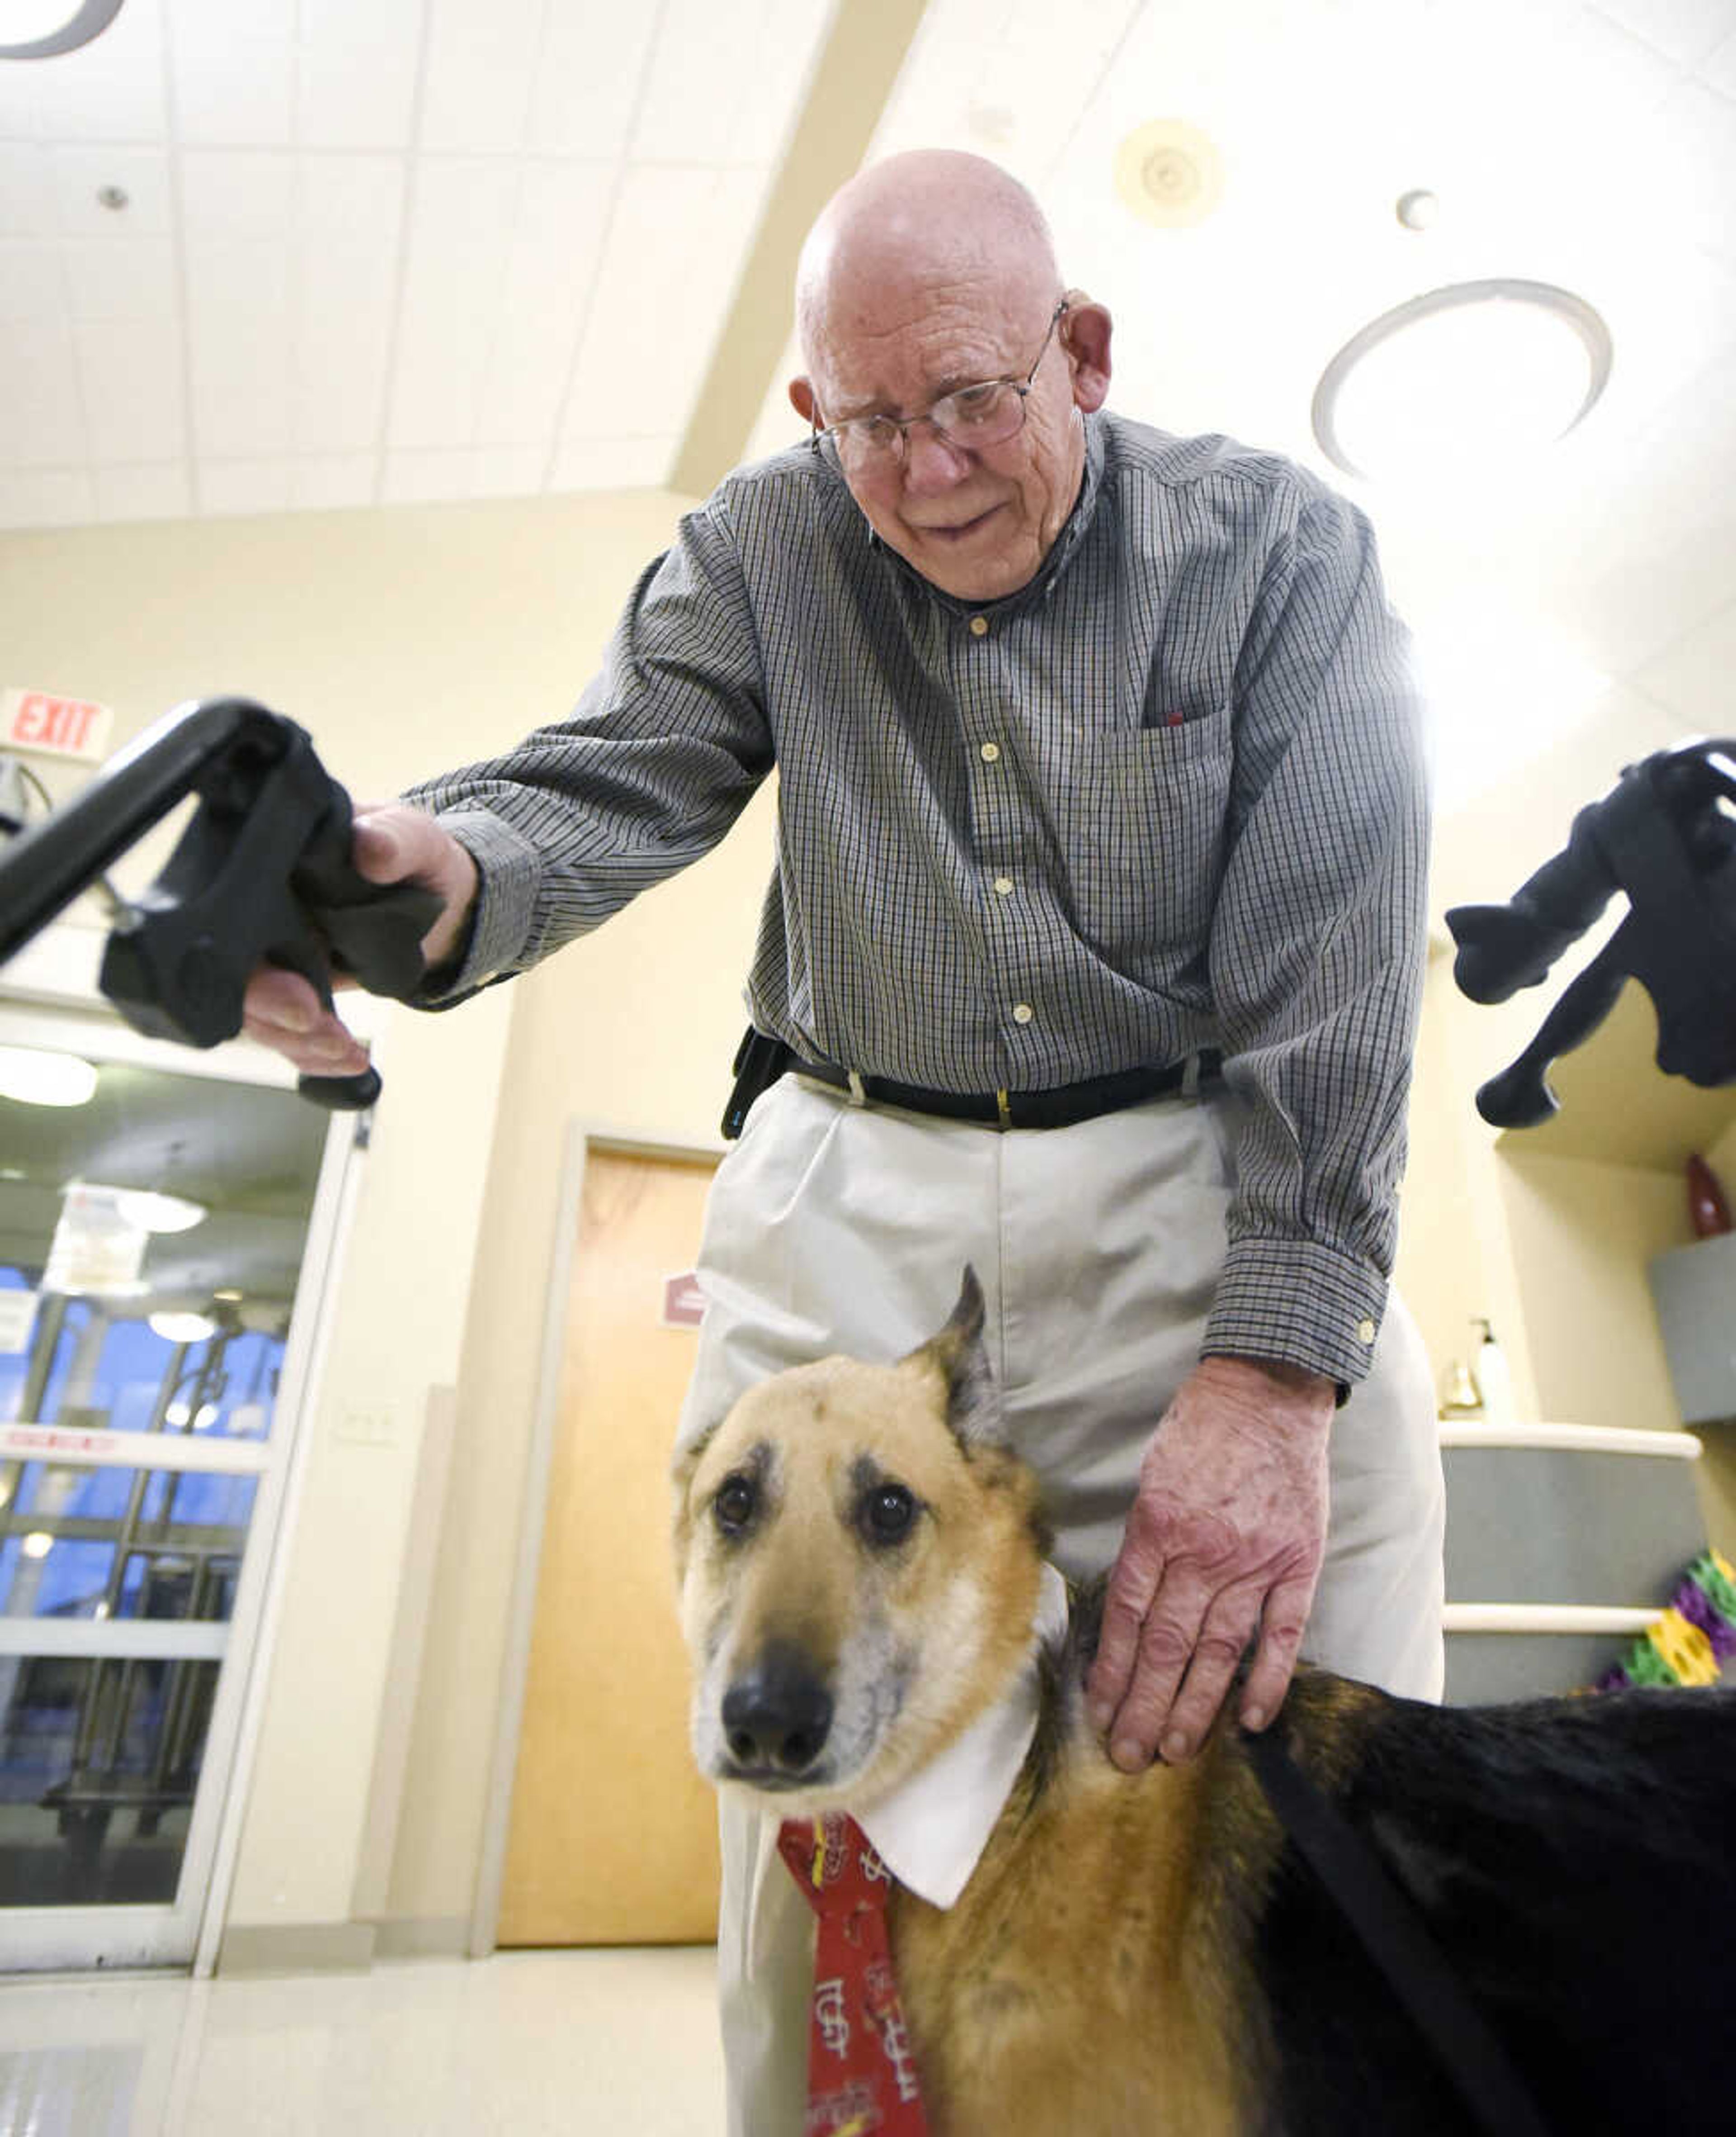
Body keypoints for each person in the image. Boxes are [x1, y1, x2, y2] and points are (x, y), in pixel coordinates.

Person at [244, 150, 1444, 2133]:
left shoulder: (1279, 552)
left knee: (1336, 1628)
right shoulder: (772, 546)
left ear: (1084, 352)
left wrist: (1275, 1367)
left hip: (1188, 1157)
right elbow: (589, 789)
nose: (931, 470)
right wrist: (409, 878)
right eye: (870, 423)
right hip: (853, 1172)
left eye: (974, 400)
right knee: (793, 1805)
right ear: (815, 415)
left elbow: (1335, 973)